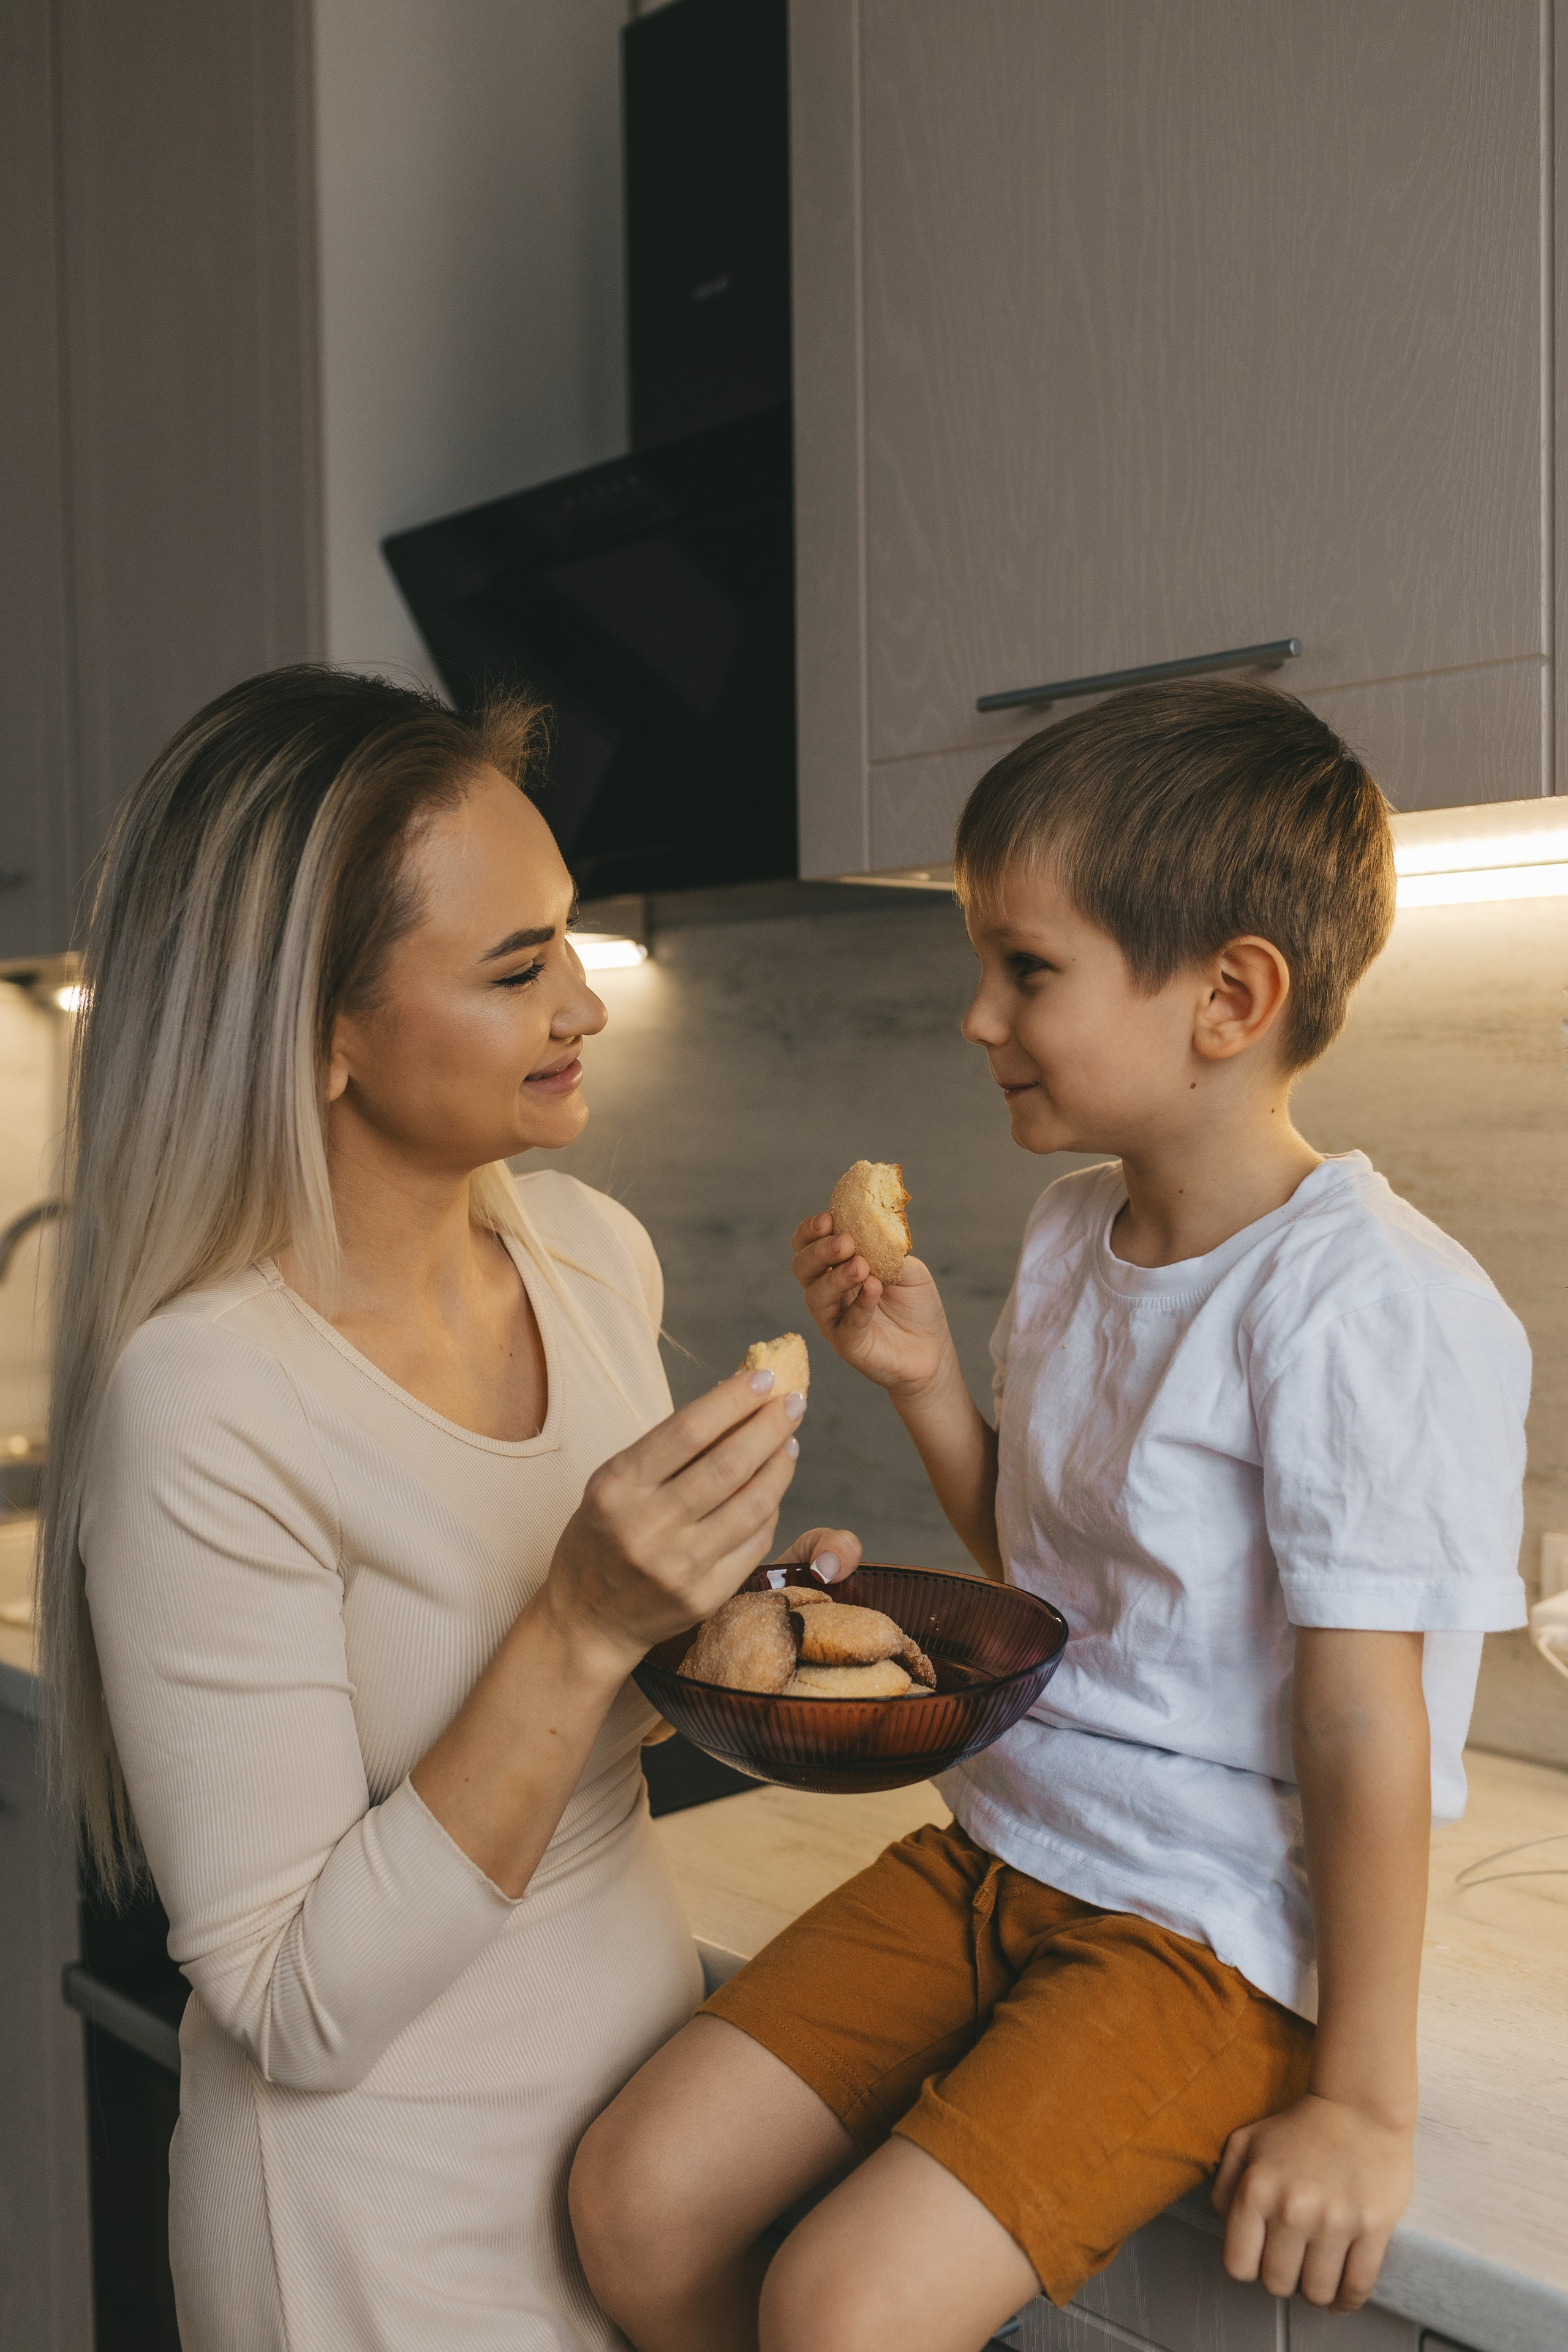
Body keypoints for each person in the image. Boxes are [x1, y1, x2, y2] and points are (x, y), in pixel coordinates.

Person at [569, 680, 1531, 2352]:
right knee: (635, 2199)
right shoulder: (1076, 1231)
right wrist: (929, 1382)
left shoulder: (1369, 1304)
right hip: (1005, 1843)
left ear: (1229, 997)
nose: (976, 1016)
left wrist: (1363, 2100)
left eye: (1027, 968)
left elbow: (1365, 1725)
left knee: (839, 2307)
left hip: (1213, 1930)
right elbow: (1051, 1585)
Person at [37, 665, 858, 2352]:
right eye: (515, 968)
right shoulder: (208, 1398)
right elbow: (293, 2008)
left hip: (632, 2175)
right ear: (319, 1031)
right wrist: (582, 1620)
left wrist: (737, 1611)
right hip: (377, 2237)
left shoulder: (591, 1257)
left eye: (570, 942)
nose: (586, 1006)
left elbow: (597, 1720)